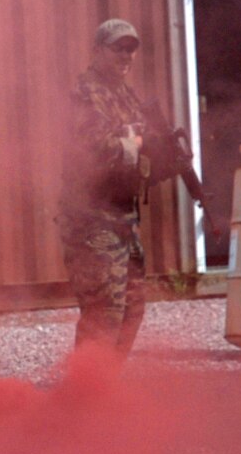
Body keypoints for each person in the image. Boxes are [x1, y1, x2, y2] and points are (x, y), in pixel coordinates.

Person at [57, 18, 177, 358]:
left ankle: (105, 387)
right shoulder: (85, 93)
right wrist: (141, 142)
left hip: (123, 218)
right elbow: (94, 149)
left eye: (131, 49)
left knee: (132, 307)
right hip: (91, 219)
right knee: (103, 313)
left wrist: (164, 158)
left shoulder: (125, 95)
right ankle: (84, 395)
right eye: (118, 48)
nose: (126, 55)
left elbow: (139, 159)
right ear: (97, 51)